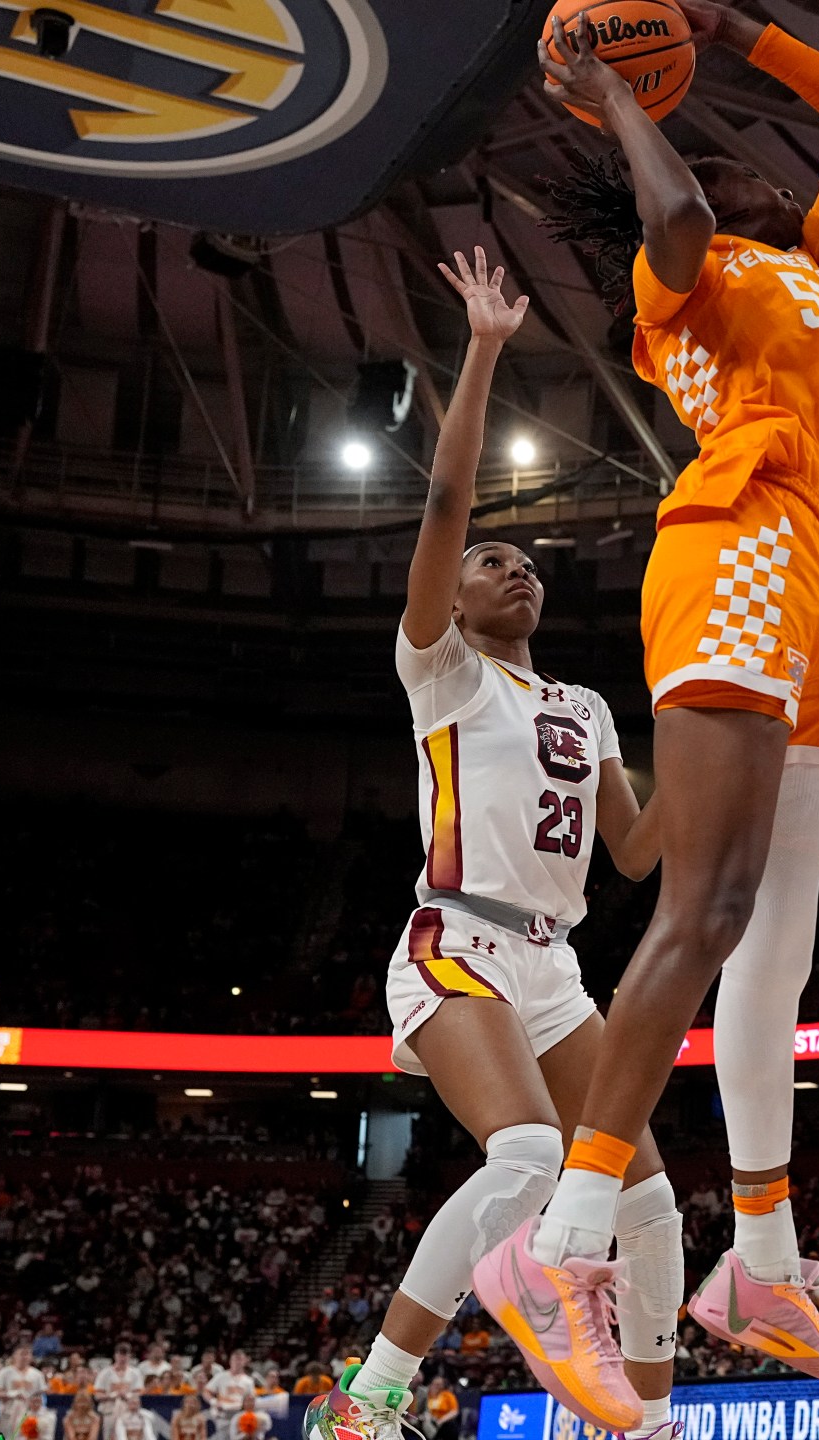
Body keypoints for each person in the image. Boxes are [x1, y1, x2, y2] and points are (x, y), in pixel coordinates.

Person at [480, 0, 819, 1412]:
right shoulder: (693, 284)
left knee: (773, 957)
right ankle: (564, 1245)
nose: (756, 170)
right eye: (730, 170)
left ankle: (761, 1262)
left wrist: (736, 32)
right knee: (705, 914)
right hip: (735, 548)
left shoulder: (811, 276)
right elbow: (665, 220)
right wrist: (617, 93)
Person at [304, 249, 679, 1440]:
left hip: (557, 968)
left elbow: (637, 852)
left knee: (652, 1199)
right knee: (524, 1154)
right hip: (456, 942)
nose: (514, 568)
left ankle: (653, 1415)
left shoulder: (584, 706)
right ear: (452, 602)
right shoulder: (444, 673)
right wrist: (481, 347)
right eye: (492, 562)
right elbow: (446, 504)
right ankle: (370, 1395)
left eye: (529, 566)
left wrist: (723, 740)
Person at [0, 1349, 43, 1440]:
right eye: (22, 1354)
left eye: (27, 1354)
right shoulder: (4, 1372)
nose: (24, 1357)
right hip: (8, 1412)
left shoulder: (37, 1374)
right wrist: (10, 1394)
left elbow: (41, 1395)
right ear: (14, 1356)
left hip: (29, 1413)